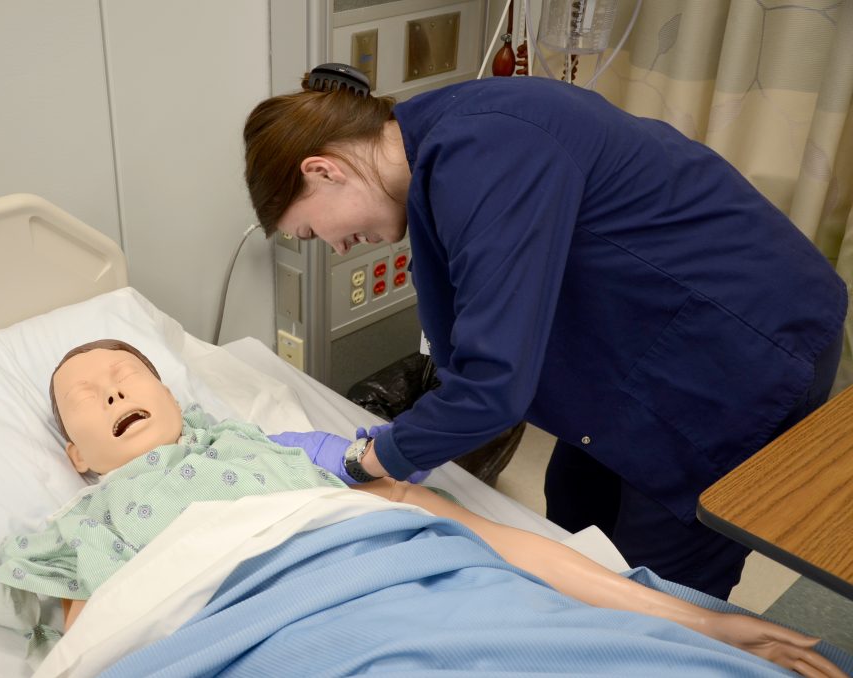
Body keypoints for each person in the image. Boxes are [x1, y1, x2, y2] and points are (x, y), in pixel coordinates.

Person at [242, 64, 848, 599]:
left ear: (322, 170)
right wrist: (423, 433)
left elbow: (493, 386)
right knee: (573, 518)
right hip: (647, 333)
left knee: (661, 587)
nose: (336, 246)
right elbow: (470, 337)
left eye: (312, 231)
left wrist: (370, 457)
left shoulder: (488, 147)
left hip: (741, 346)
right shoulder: (438, 151)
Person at [0, 339, 846, 676]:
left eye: (128, 374)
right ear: (76, 457)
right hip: (265, 636)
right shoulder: (72, 533)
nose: (111, 388)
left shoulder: (284, 453)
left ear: (176, 398)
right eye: (87, 396)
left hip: (418, 582)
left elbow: (468, 531)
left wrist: (690, 622)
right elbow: (101, 647)